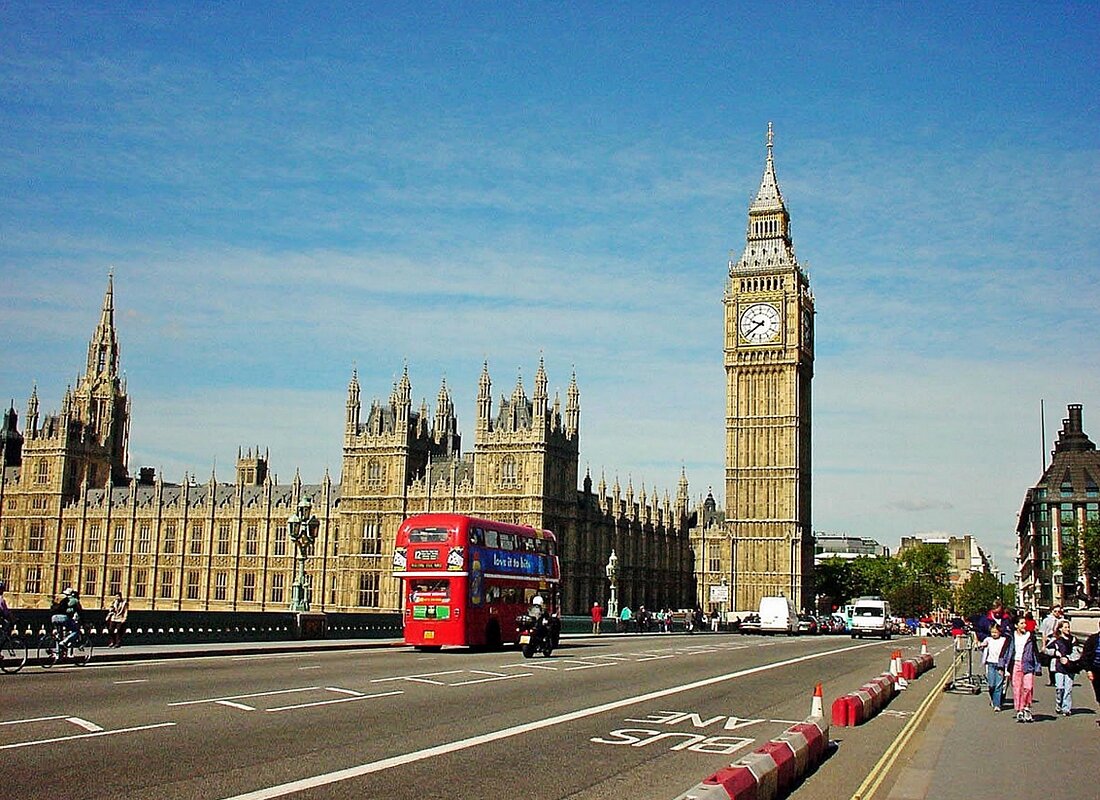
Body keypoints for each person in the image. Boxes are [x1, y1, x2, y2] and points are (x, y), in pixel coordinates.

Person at [1000, 615, 1043, 723]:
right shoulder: (1011, 637)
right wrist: (1001, 666)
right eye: (1022, 623)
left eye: (1025, 623)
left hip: (1028, 664)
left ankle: (1027, 707)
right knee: (1017, 688)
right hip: (1015, 664)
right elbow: (1004, 651)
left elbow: (1035, 652)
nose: (1024, 625)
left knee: (1028, 687)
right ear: (1016, 625)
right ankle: (1019, 709)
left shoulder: (1030, 636)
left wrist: (1038, 666)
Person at [1045, 619, 1079, 717]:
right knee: (1060, 687)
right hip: (1059, 666)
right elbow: (1046, 650)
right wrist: (1056, 653)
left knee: (1068, 689)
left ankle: (1066, 708)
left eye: (1068, 627)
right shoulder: (1056, 640)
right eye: (1065, 627)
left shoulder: (1073, 639)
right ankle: (1058, 703)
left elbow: (1076, 652)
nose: (1067, 629)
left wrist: (1068, 659)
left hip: (1070, 666)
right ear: (1060, 628)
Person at [978, 622, 1008, 711]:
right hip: (990, 664)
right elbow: (981, 646)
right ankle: (993, 699)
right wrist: (981, 646)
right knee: (991, 685)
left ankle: (997, 705)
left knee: (998, 685)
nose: (994, 634)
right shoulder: (988, 639)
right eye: (992, 632)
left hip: (1000, 665)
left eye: (995, 632)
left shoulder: (1003, 640)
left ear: (1000, 632)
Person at [1038, 605, 1064, 686]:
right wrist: (1044, 645)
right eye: (1055, 611)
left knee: (1059, 659)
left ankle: (1059, 677)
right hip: (1050, 641)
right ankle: (1052, 679)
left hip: (1059, 641)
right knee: (1050, 661)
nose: (1057, 613)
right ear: (1052, 611)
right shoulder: (1046, 620)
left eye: (1058, 611)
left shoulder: (1062, 620)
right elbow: (1044, 633)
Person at [1081, 618, 1100, 726]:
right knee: (1099, 694)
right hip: (1096, 669)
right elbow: (1086, 656)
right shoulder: (1093, 639)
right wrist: (1088, 670)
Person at [52, 587, 83, 654]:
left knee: (59, 635)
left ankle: (58, 652)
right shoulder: (74, 600)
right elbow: (80, 611)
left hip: (54, 617)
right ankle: (64, 642)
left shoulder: (60, 598)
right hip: (63, 618)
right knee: (76, 631)